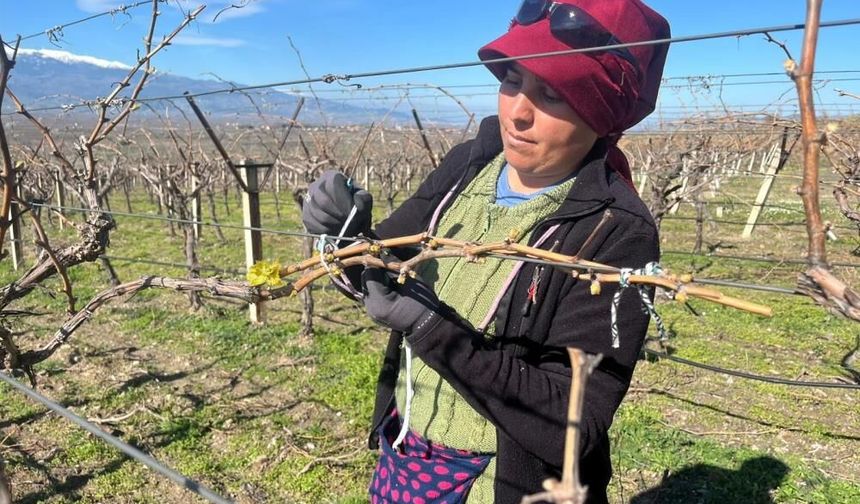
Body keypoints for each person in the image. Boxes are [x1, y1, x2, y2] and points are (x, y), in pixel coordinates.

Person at [301, 1, 670, 502]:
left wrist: (432, 330)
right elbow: (380, 271)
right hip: (407, 450)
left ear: (600, 114)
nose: (518, 111)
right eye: (513, 80)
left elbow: (574, 425)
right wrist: (344, 238)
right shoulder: (470, 167)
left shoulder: (613, 232)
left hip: (498, 482)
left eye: (553, 94)